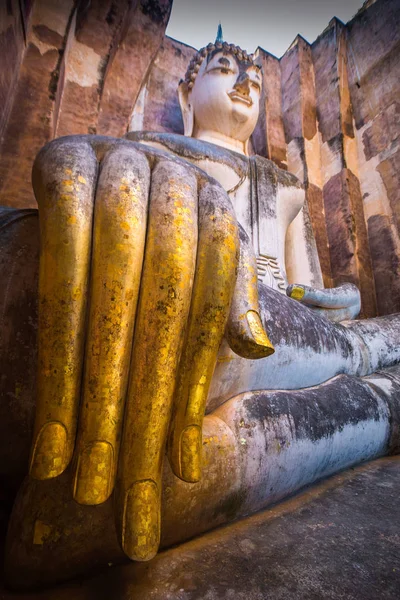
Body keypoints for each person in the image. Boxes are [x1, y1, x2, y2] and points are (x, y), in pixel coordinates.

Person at [3, 35, 400, 572]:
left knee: (340, 343)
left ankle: (371, 382)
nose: (244, 86)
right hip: (204, 302)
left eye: (256, 82)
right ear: (188, 93)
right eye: (224, 69)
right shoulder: (149, 146)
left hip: (288, 319)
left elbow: (308, 287)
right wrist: (104, 160)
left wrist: (339, 297)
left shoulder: (285, 189)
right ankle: (379, 401)